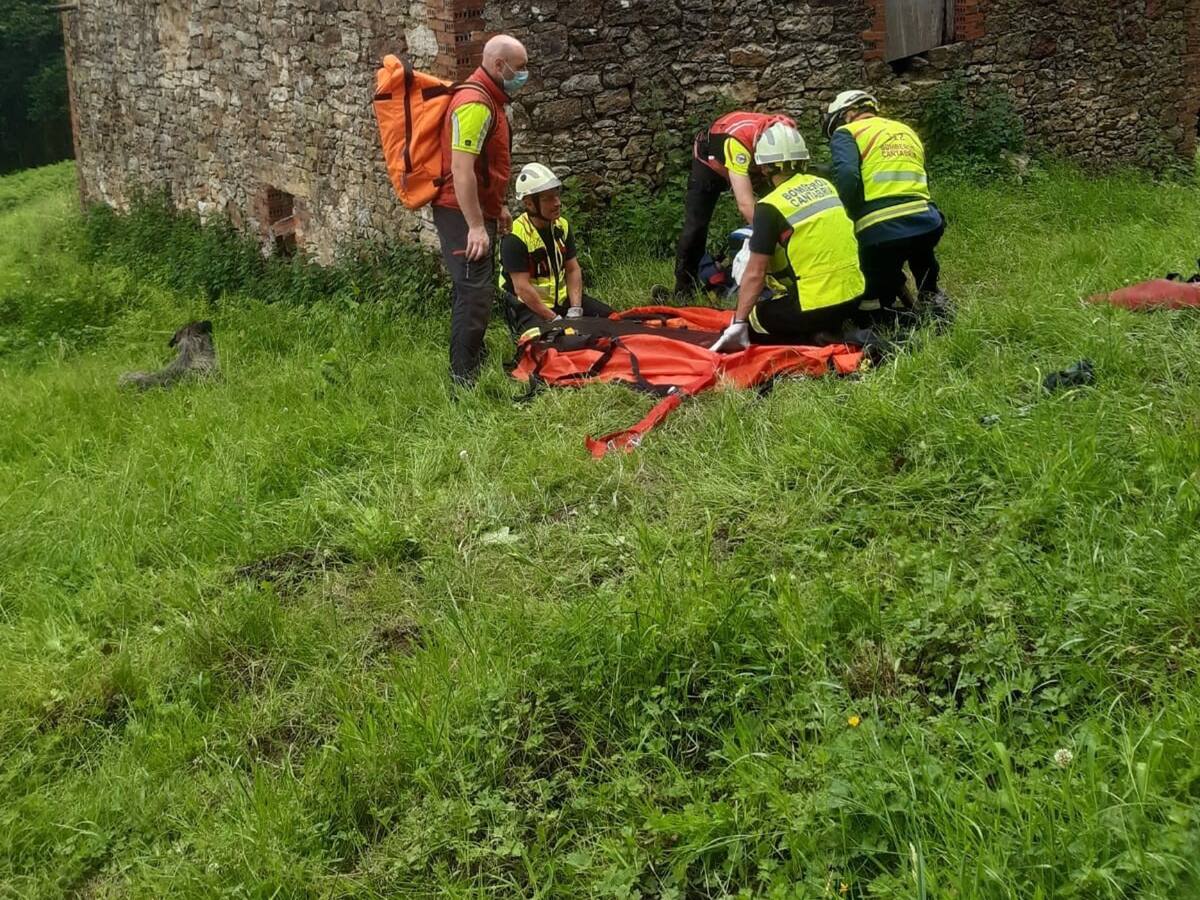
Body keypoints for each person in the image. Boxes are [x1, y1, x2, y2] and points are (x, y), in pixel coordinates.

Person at [709, 123, 866, 352]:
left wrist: (739, 321)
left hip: (815, 306)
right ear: (803, 160)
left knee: (755, 320)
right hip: (854, 297)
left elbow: (755, 273)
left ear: (763, 168)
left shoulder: (770, 206)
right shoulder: (825, 186)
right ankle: (827, 329)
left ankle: (815, 337)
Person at [431, 34, 529, 385]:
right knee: (475, 290)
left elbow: (488, 166)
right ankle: (463, 378)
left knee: (475, 287)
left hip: (474, 210)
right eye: (520, 68)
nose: (524, 75)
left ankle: (472, 354)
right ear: (499, 65)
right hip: (458, 212)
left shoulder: (492, 98)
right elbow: (462, 169)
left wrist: (496, 207)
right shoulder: (475, 103)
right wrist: (474, 225)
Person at [823, 90, 950, 325]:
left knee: (873, 279)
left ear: (849, 114)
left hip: (879, 230)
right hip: (927, 220)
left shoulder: (847, 132)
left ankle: (879, 314)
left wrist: (845, 213)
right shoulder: (905, 130)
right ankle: (931, 295)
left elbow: (848, 176)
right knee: (921, 252)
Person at [661, 110, 797, 300]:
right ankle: (684, 288)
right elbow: (746, 205)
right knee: (696, 225)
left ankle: (783, 274)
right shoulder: (736, 143)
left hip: (752, 157)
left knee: (776, 205)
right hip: (711, 161)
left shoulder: (787, 134)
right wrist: (775, 238)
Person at [498, 163, 613, 336]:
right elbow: (521, 288)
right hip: (529, 308)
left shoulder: (562, 226)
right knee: (553, 344)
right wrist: (554, 319)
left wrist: (575, 310)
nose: (557, 203)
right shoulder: (514, 237)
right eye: (548, 199)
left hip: (563, 301)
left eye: (557, 196)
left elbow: (573, 269)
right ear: (529, 204)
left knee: (614, 319)